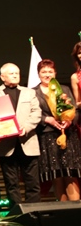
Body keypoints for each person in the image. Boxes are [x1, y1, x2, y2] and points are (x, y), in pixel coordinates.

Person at [0, 63, 41, 205]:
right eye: (11, 73)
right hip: (6, 145)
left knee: (32, 181)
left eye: (17, 73)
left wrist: (26, 127)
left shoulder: (29, 92)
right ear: (2, 77)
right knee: (11, 183)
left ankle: (34, 211)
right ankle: (17, 212)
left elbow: (36, 113)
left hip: (27, 141)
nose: (15, 75)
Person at [33, 59, 80, 201]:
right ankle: (63, 211)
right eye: (44, 72)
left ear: (55, 73)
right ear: (38, 74)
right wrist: (46, 119)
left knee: (70, 174)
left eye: (50, 71)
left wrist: (69, 120)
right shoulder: (33, 92)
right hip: (47, 137)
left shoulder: (64, 89)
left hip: (67, 135)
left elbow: (75, 110)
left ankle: (76, 210)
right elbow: (31, 114)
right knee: (56, 176)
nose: (47, 74)